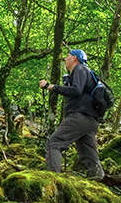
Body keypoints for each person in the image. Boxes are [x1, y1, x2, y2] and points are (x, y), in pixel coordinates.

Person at [37, 49, 106, 180]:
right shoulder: (86, 73)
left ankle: (53, 181)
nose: (65, 59)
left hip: (80, 117)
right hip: (91, 120)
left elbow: (76, 90)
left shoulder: (80, 69)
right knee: (89, 155)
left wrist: (51, 86)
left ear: (74, 58)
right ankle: (99, 182)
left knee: (53, 144)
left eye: (67, 56)